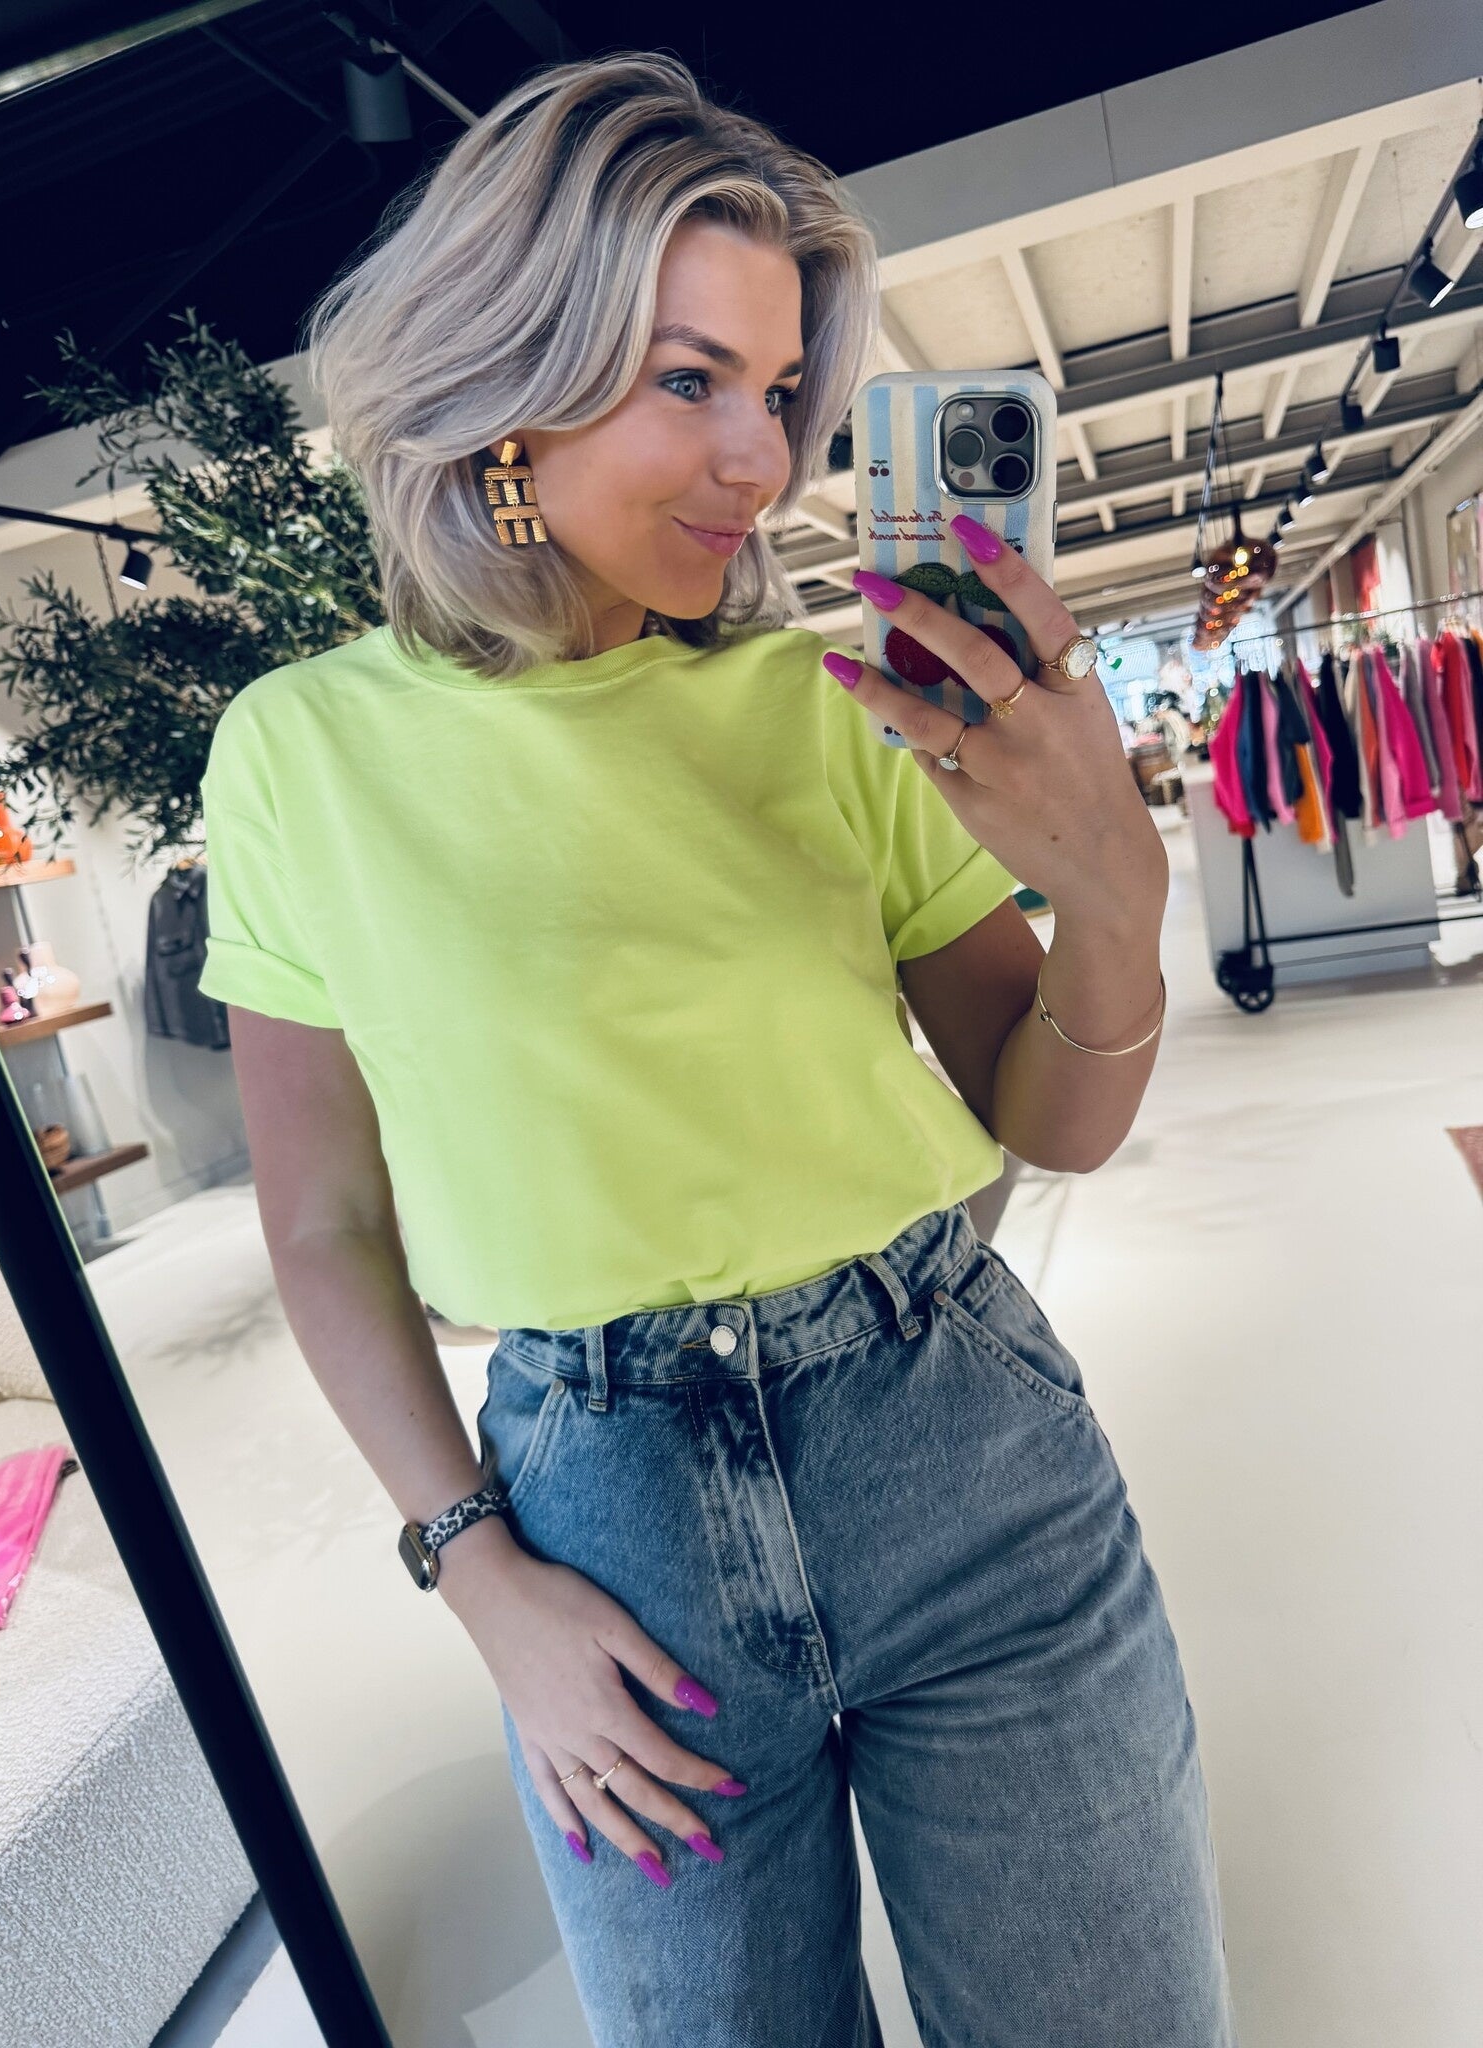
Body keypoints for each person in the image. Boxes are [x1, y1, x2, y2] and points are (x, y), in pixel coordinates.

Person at [197, 51, 1238, 2048]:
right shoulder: (300, 753)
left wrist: (1116, 895)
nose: (761, 455)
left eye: (777, 390)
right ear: (510, 370)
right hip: (608, 1527)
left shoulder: (829, 701)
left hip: (962, 1446)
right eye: (692, 379)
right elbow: (323, 1221)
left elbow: (1053, 1118)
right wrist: (477, 1576)